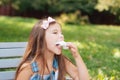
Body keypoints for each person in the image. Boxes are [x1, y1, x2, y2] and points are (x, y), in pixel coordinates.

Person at [15, 17, 89, 80]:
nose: (61, 36)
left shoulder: (60, 61)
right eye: (55, 33)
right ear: (41, 39)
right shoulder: (28, 68)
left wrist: (76, 56)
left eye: (61, 33)